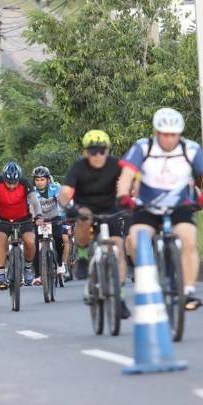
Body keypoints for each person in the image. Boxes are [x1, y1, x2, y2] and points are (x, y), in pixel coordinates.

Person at [116, 107, 203, 310]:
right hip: (148, 206)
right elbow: (127, 174)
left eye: (173, 134)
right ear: (156, 132)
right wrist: (123, 196)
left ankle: (188, 291)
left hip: (179, 205)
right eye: (164, 134)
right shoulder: (143, 147)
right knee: (135, 240)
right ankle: (146, 277)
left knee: (188, 239)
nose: (169, 139)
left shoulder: (190, 148)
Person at [59, 130, 131, 318]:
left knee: (119, 248)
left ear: (107, 151)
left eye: (101, 151)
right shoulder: (78, 167)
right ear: (85, 152)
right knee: (84, 217)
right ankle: (82, 257)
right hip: (86, 207)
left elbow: (130, 182)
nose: (97, 155)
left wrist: (133, 200)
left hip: (110, 208)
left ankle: (120, 297)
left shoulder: (116, 164)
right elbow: (65, 191)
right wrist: (67, 206)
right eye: (93, 151)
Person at [0, 161, 43, 290]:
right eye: (8, 183)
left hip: (23, 219)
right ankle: (1, 275)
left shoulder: (25, 183)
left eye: (14, 184)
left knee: (30, 240)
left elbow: (34, 200)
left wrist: (39, 215)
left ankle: (28, 267)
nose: (11, 186)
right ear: (4, 178)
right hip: (3, 219)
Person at [30, 166, 65, 286]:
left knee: (59, 238)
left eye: (42, 179)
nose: (40, 182)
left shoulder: (55, 188)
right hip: (39, 219)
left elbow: (61, 201)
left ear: (48, 180)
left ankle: (60, 264)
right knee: (34, 245)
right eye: (37, 180)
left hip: (54, 218)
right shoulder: (32, 192)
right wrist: (34, 218)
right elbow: (30, 208)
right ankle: (37, 276)